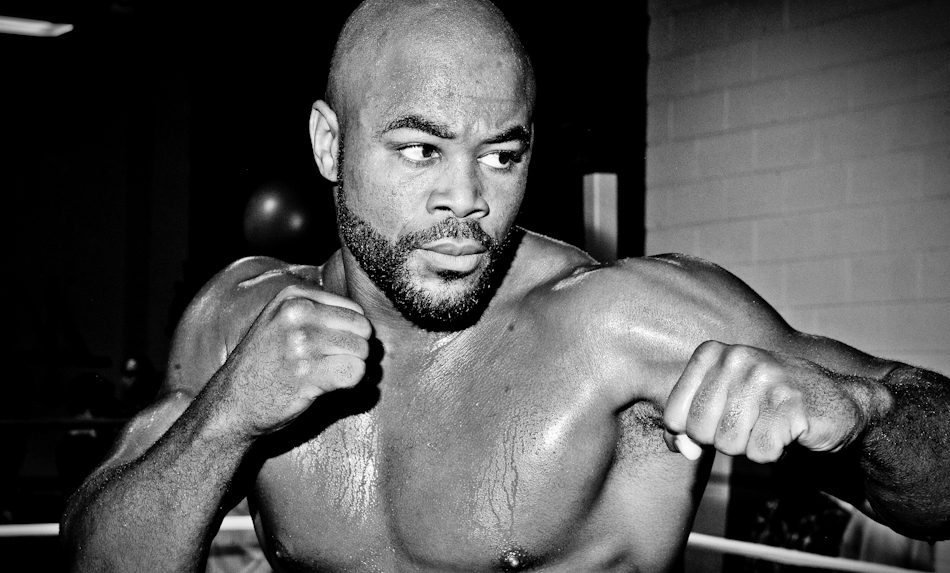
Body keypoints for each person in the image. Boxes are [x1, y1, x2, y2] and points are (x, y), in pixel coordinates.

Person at [61, 0, 950, 571]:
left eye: (500, 154)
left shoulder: (621, 325)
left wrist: (866, 412)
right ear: (330, 144)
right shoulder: (240, 320)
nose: (467, 200)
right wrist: (226, 417)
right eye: (421, 149)